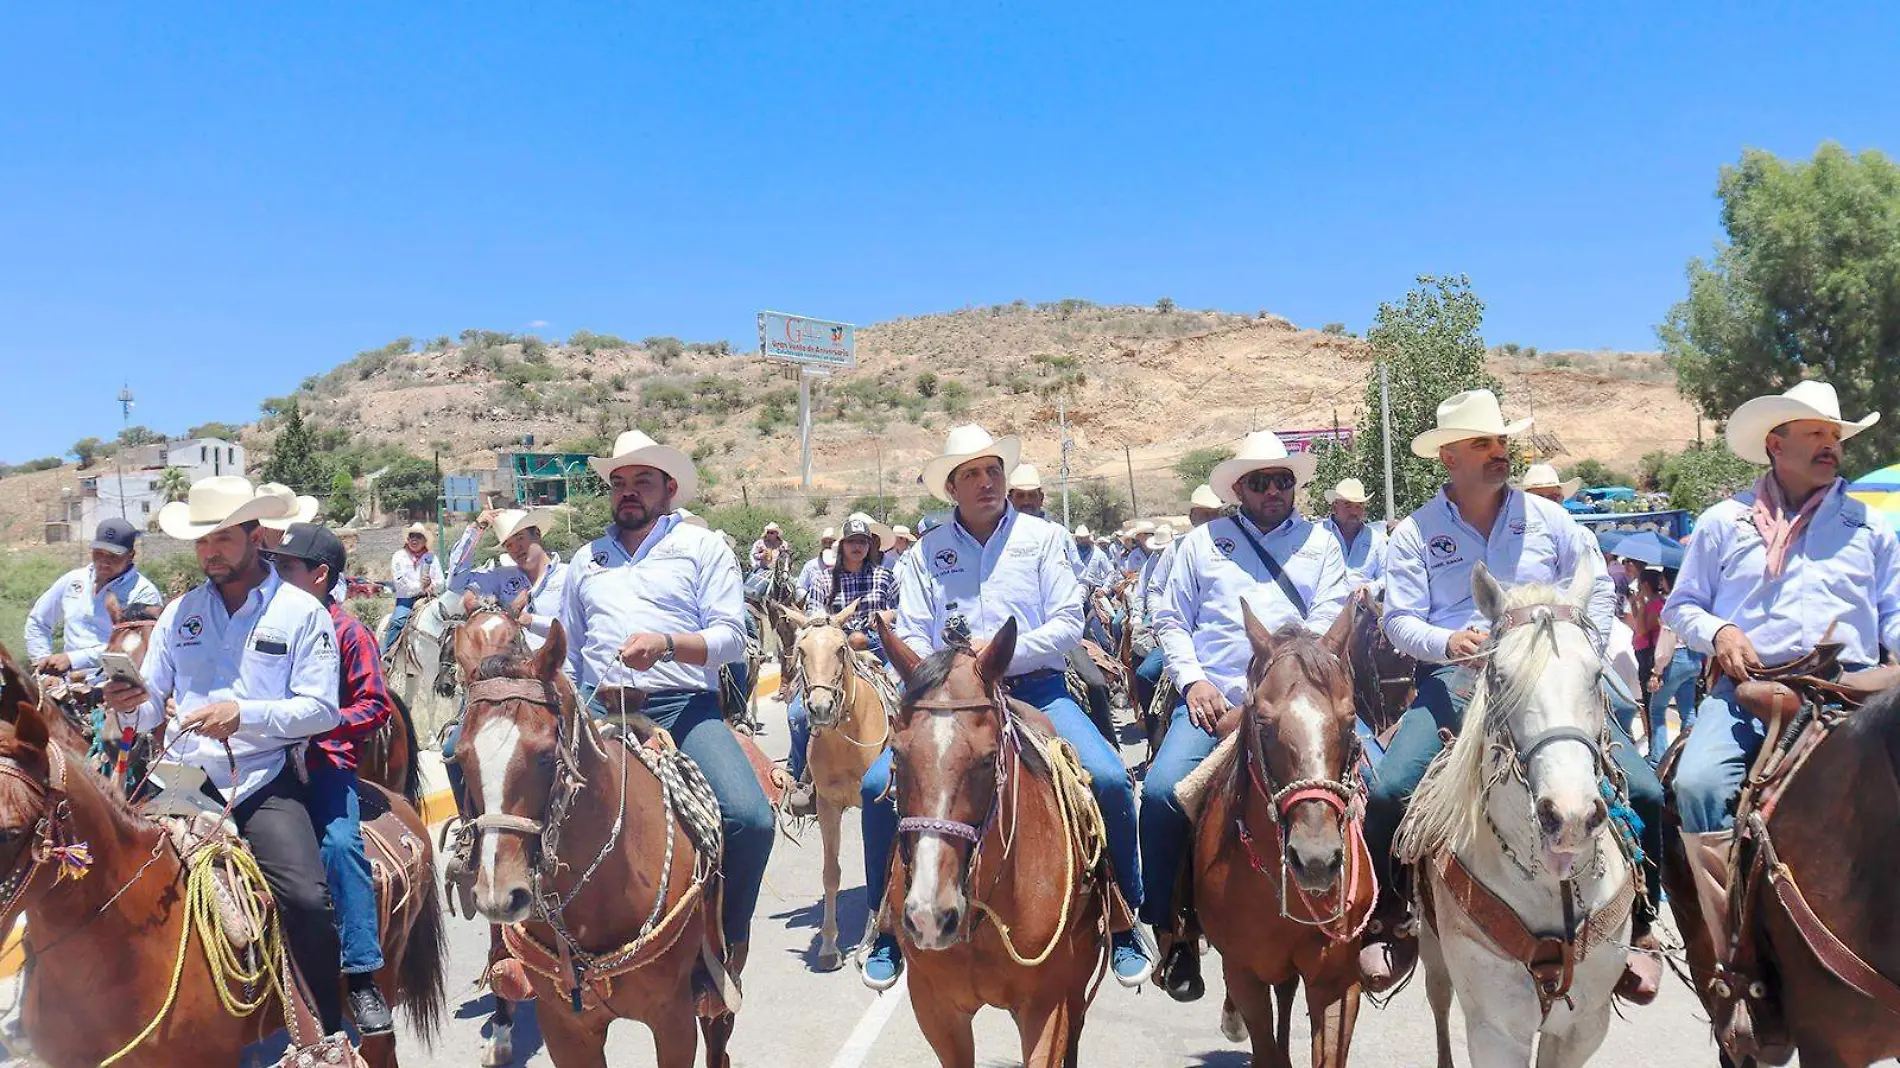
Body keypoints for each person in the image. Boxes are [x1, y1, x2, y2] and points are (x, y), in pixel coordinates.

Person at [1360, 389, 1666, 1002]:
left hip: (1551, 679)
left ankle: (1640, 925)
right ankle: (1389, 916)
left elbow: (1598, 589)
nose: (1499, 452)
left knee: (1651, 789)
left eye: (1501, 442)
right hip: (1459, 677)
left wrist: (1578, 650)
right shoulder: (1416, 533)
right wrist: (1449, 642)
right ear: (1449, 456)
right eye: (1483, 443)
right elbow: (1399, 620)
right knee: (1393, 786)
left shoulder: (1551, 519)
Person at [858, 424, 1150, 990]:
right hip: (949, 703)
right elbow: (915, 634)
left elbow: (1067, 623)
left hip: (1036, 690)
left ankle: (1123, 915)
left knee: (1111, 779)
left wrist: (994, 658)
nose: (986, 482)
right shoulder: (925, 555)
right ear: (952, 489)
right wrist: (958, 673)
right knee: (876, 788)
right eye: (971, 474)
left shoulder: (1043, 540)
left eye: (993, 470)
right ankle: (886, 924)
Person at [1662, 381, 1899, 1037]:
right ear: (1777, 444)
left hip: (1849, 692)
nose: (1831, 446)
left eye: (1835, 436)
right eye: (1817, 434)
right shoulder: (1720, 524)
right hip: (1748, 690)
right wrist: (1721, 634)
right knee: (1698, 783)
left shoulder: (1868, 527)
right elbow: (1682, 606)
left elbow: (1895, 613)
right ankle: (1734, 961)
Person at [100, 476, 349, 1038]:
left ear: (255, 535)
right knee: (130, 887)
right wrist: (129, 704)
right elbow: (148, 711)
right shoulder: (179, 613)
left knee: (306, 899)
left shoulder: (301, 613)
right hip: (181, 775)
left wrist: (244, 714)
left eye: (221, 539)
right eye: (201, 541)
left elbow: (321, 710)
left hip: (260, 776)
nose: (210, 552)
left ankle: (327, 1029)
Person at [1140, 432, 1352, 999]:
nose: (1275, 490)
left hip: (1301, 703)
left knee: (1381, 789)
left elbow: (1333, 621)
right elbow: (1171, 618)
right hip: (1212, 702)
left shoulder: (1321, 543)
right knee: (1161, 793)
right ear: (1239, 489)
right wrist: (1195, 682)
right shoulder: (1202, 544)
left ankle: (1381, 919)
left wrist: (1283, 696)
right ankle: (1174, 931)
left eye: (1283, 479)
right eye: (1261, 481)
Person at [559, 430, 774, 970]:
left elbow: (730, 638)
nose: (628, 492)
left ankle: (726, 940)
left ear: (669, 487)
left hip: (682, 707)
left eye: (641, 482)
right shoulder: (588, 558)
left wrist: (668, 644)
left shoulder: (703, 547)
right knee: (514, 807)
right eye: (620, 483)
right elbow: (567, 645)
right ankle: (523, 951)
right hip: (598, 708)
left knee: (750, 818)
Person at [261, 522, 396, 1035]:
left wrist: (322, 720)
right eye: (272, 564)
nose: (275, 574)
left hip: (324, 761)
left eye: (286, 567)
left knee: (340, 846)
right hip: (263, 761)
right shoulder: (266, 624)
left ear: (319, 575)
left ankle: (361, 975)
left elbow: (374, 705)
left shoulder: (350, 632)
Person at [784, 513, 898, 817]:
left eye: (863, 541)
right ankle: (803, 781)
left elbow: (902, 608)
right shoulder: (823, 581)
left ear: (870, 545)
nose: (857, 547)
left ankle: (904, 773)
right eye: (852, 542)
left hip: (876, 649)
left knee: (905, 702)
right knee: (797, 714)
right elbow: (813, 619)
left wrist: (886, 618)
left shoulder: (884, 577)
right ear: (842, 545)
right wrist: (835, 630)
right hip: (832, 656)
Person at [26, 517, 163, 677]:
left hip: (114, 684)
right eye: (99, 553)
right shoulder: (73, 580)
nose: (104, 561)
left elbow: (137, 645)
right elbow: (38, 621)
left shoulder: (143, 592)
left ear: (131, 555)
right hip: (64, 680)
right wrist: (44, 664)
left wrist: (73, 659)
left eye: (113, 556)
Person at [446, 506, 571, 651]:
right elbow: (456, 582)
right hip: (518, 670)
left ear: (536, 534)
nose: (516, 548)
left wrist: (531, 621)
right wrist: (475, 530)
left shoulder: (569, 575)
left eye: (520, 538)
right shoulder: (501, 577)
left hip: (561, 669)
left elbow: (578, 629)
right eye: (509, 545)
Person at [1645, 569, 1700, 765]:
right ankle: (1690, 755)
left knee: (1657, 709)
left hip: (1675, 658)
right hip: (1695, 658)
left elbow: (1666, 643)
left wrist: (1656, 672)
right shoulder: (1694, 603)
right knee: (1688, 711)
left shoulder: (1672, 604)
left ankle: (1657, 758)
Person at [1322, 477, 1387, 592]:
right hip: (1323, 606)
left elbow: (1388, 577)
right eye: (1348, 505)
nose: (1354, 512)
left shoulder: (1375, 540)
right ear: (1335, 506)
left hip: (1362, 607)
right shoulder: (1318, 534)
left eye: (1359, 506)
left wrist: (1369, 589)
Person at [385, 523, 443, 646]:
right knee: (398, 622)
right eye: (412, 536)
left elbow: (441, 581)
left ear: (424, 540)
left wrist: (432, 585)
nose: (414, 539)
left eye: (418, 536)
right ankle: (387, 656)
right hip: (406, 601)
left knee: (447, 622)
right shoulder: (399, 556)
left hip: (429, 598)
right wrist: (421, 586)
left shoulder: (431, 558)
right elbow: (400, 583)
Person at [797, 528, 838, 611]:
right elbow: (800, 587)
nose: (828, 544)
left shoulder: (843, 564)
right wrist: (811, 599)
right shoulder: (811, 565)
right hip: (813, 608)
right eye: (825, 542)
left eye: (831, 542)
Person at [1518, 462, 1583, 505]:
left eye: (1554, 497)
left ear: (1561, 498)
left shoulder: (1566, 523)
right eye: (1538, 498)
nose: (1548, 503)